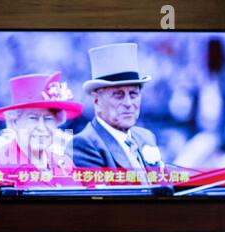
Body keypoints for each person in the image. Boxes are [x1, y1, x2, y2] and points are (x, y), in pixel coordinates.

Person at [67, 43, 164, 171]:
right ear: (96, 101)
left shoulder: (146, 137)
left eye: (133, 94)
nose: (128, 103)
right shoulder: (84, 145)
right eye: (118, 95)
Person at [0, 71, 83, 187]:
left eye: (48, 119)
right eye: (33, 118)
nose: (41, 127)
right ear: (14, 122)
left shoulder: (65, 163)